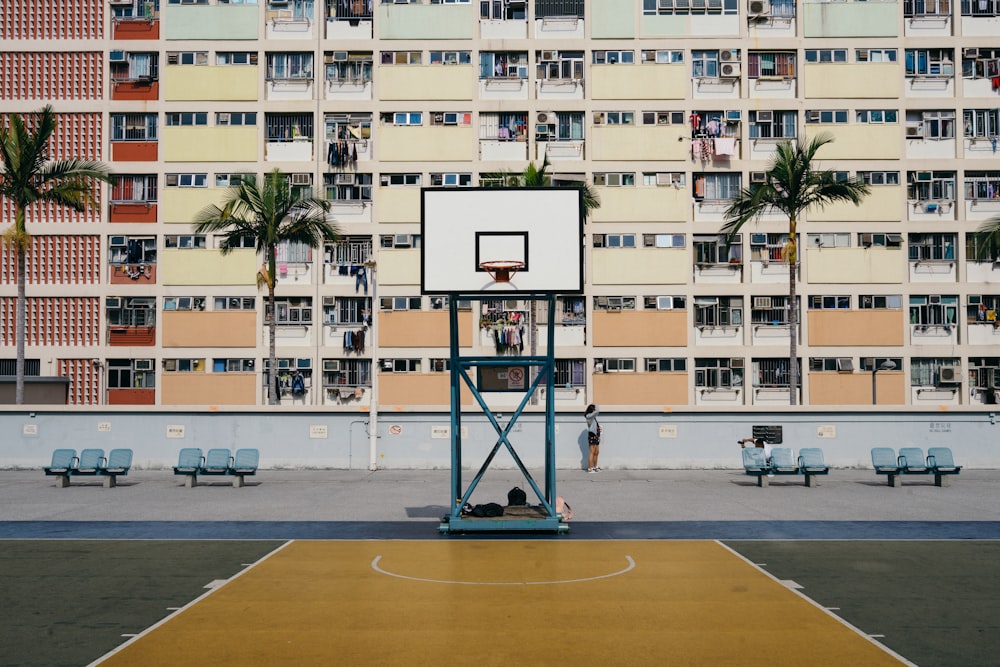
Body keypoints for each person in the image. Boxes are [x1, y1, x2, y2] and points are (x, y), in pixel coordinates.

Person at [585, 404, 601, 473]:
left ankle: (595, 467)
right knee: (592, 452)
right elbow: (597, 411)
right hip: (592, 435)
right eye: (594, 409)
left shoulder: (592, 417)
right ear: (592, 410)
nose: (595, 410)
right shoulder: (589, 416)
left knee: (596, 452)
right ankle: (590, 468)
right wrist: (596, 405)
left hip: (596, 435)